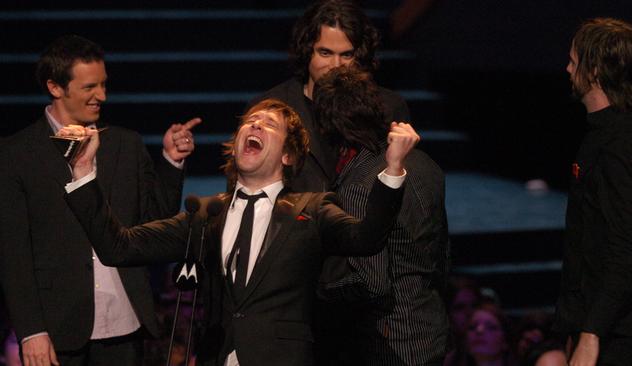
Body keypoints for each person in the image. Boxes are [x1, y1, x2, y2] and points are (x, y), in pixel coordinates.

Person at [61, 98, 420, 366]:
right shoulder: (206, 213)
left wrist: (392, 170)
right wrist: (82, 173)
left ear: (288, 155)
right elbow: (119, 248)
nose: (254, 127)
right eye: (249, 122)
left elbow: (366, 238)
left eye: (268, 125)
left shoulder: (312, 209)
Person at [0, 35, 199, 366]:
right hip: (57, 329)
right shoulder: (16, 154)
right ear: (55, 87)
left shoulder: (125, 144)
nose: (102, 96)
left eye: (104, 85)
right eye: (90, 87)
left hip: (123, 322)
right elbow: (13, 253)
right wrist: (31, 330)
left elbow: (154, 225)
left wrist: (171, 160)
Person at [313, 66, 449, 365]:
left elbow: (371, 283)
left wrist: (315, 289)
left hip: (390, 342)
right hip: (430, 327)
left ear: (326, 125)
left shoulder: (361, 183)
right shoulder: (426, 163)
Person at [553, 18, 632, 365]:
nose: (567, 68)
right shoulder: (602, 135)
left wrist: (591, 334)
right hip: (595, 324)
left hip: (616, 332)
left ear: (593, 69)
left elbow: (626, 247)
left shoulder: (622, 145)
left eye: (574, 60)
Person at [250, 0, 410, 192]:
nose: (336, 65)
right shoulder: (270, 108)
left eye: (347, 55)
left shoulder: (388, 107)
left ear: (360, 56)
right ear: (307, 51)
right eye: (325, 53)